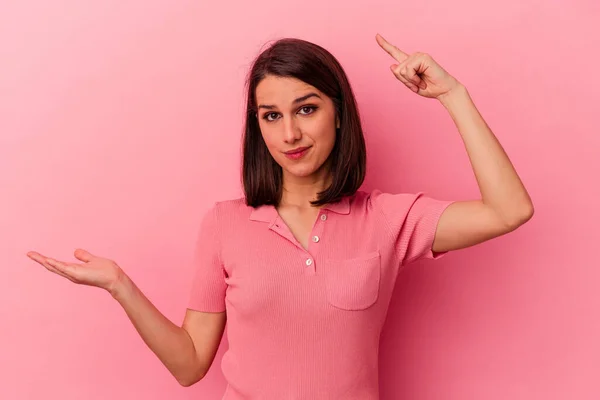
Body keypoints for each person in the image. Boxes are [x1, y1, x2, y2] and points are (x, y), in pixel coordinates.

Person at [26, 34, 534, 399]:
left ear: (339, 111)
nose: (289, 133)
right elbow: (189, 366)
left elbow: (509, 210)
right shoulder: (224, 224)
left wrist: (453, 95)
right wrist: (120, 285)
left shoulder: (387, 218)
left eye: (306, 108)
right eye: (271, 115)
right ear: (259, 127)